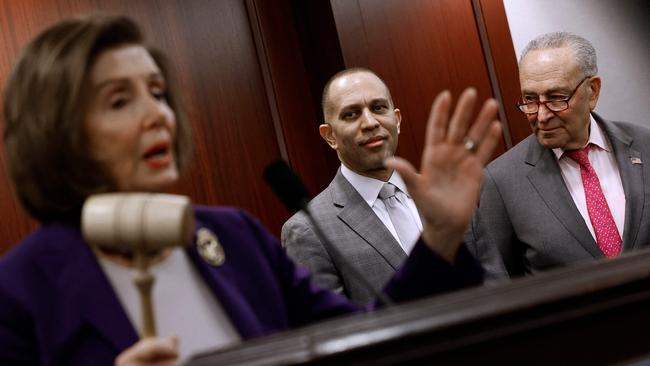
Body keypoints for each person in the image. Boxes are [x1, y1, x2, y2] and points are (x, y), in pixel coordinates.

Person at [0, 15, 501, 365]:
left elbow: (365, 336)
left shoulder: (233, 236)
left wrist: (438, 237)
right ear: (56, 128)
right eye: (119, 100)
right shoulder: (18, 289)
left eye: (157, 92)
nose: (158, 114)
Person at [465, 32, 650, 281]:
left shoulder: (645, 145)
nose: (541, 116)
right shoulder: (501, 182)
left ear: (593, 91)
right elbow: (501, 287)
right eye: (530, 99)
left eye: (556, 98)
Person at [282, 68, 422, 304]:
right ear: (330, 136)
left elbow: (494, 283)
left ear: (396, 120)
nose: (369, 123)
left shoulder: (446, 193)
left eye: (378, 108)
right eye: (351, 114)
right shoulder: (308, 232)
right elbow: (334, 328)